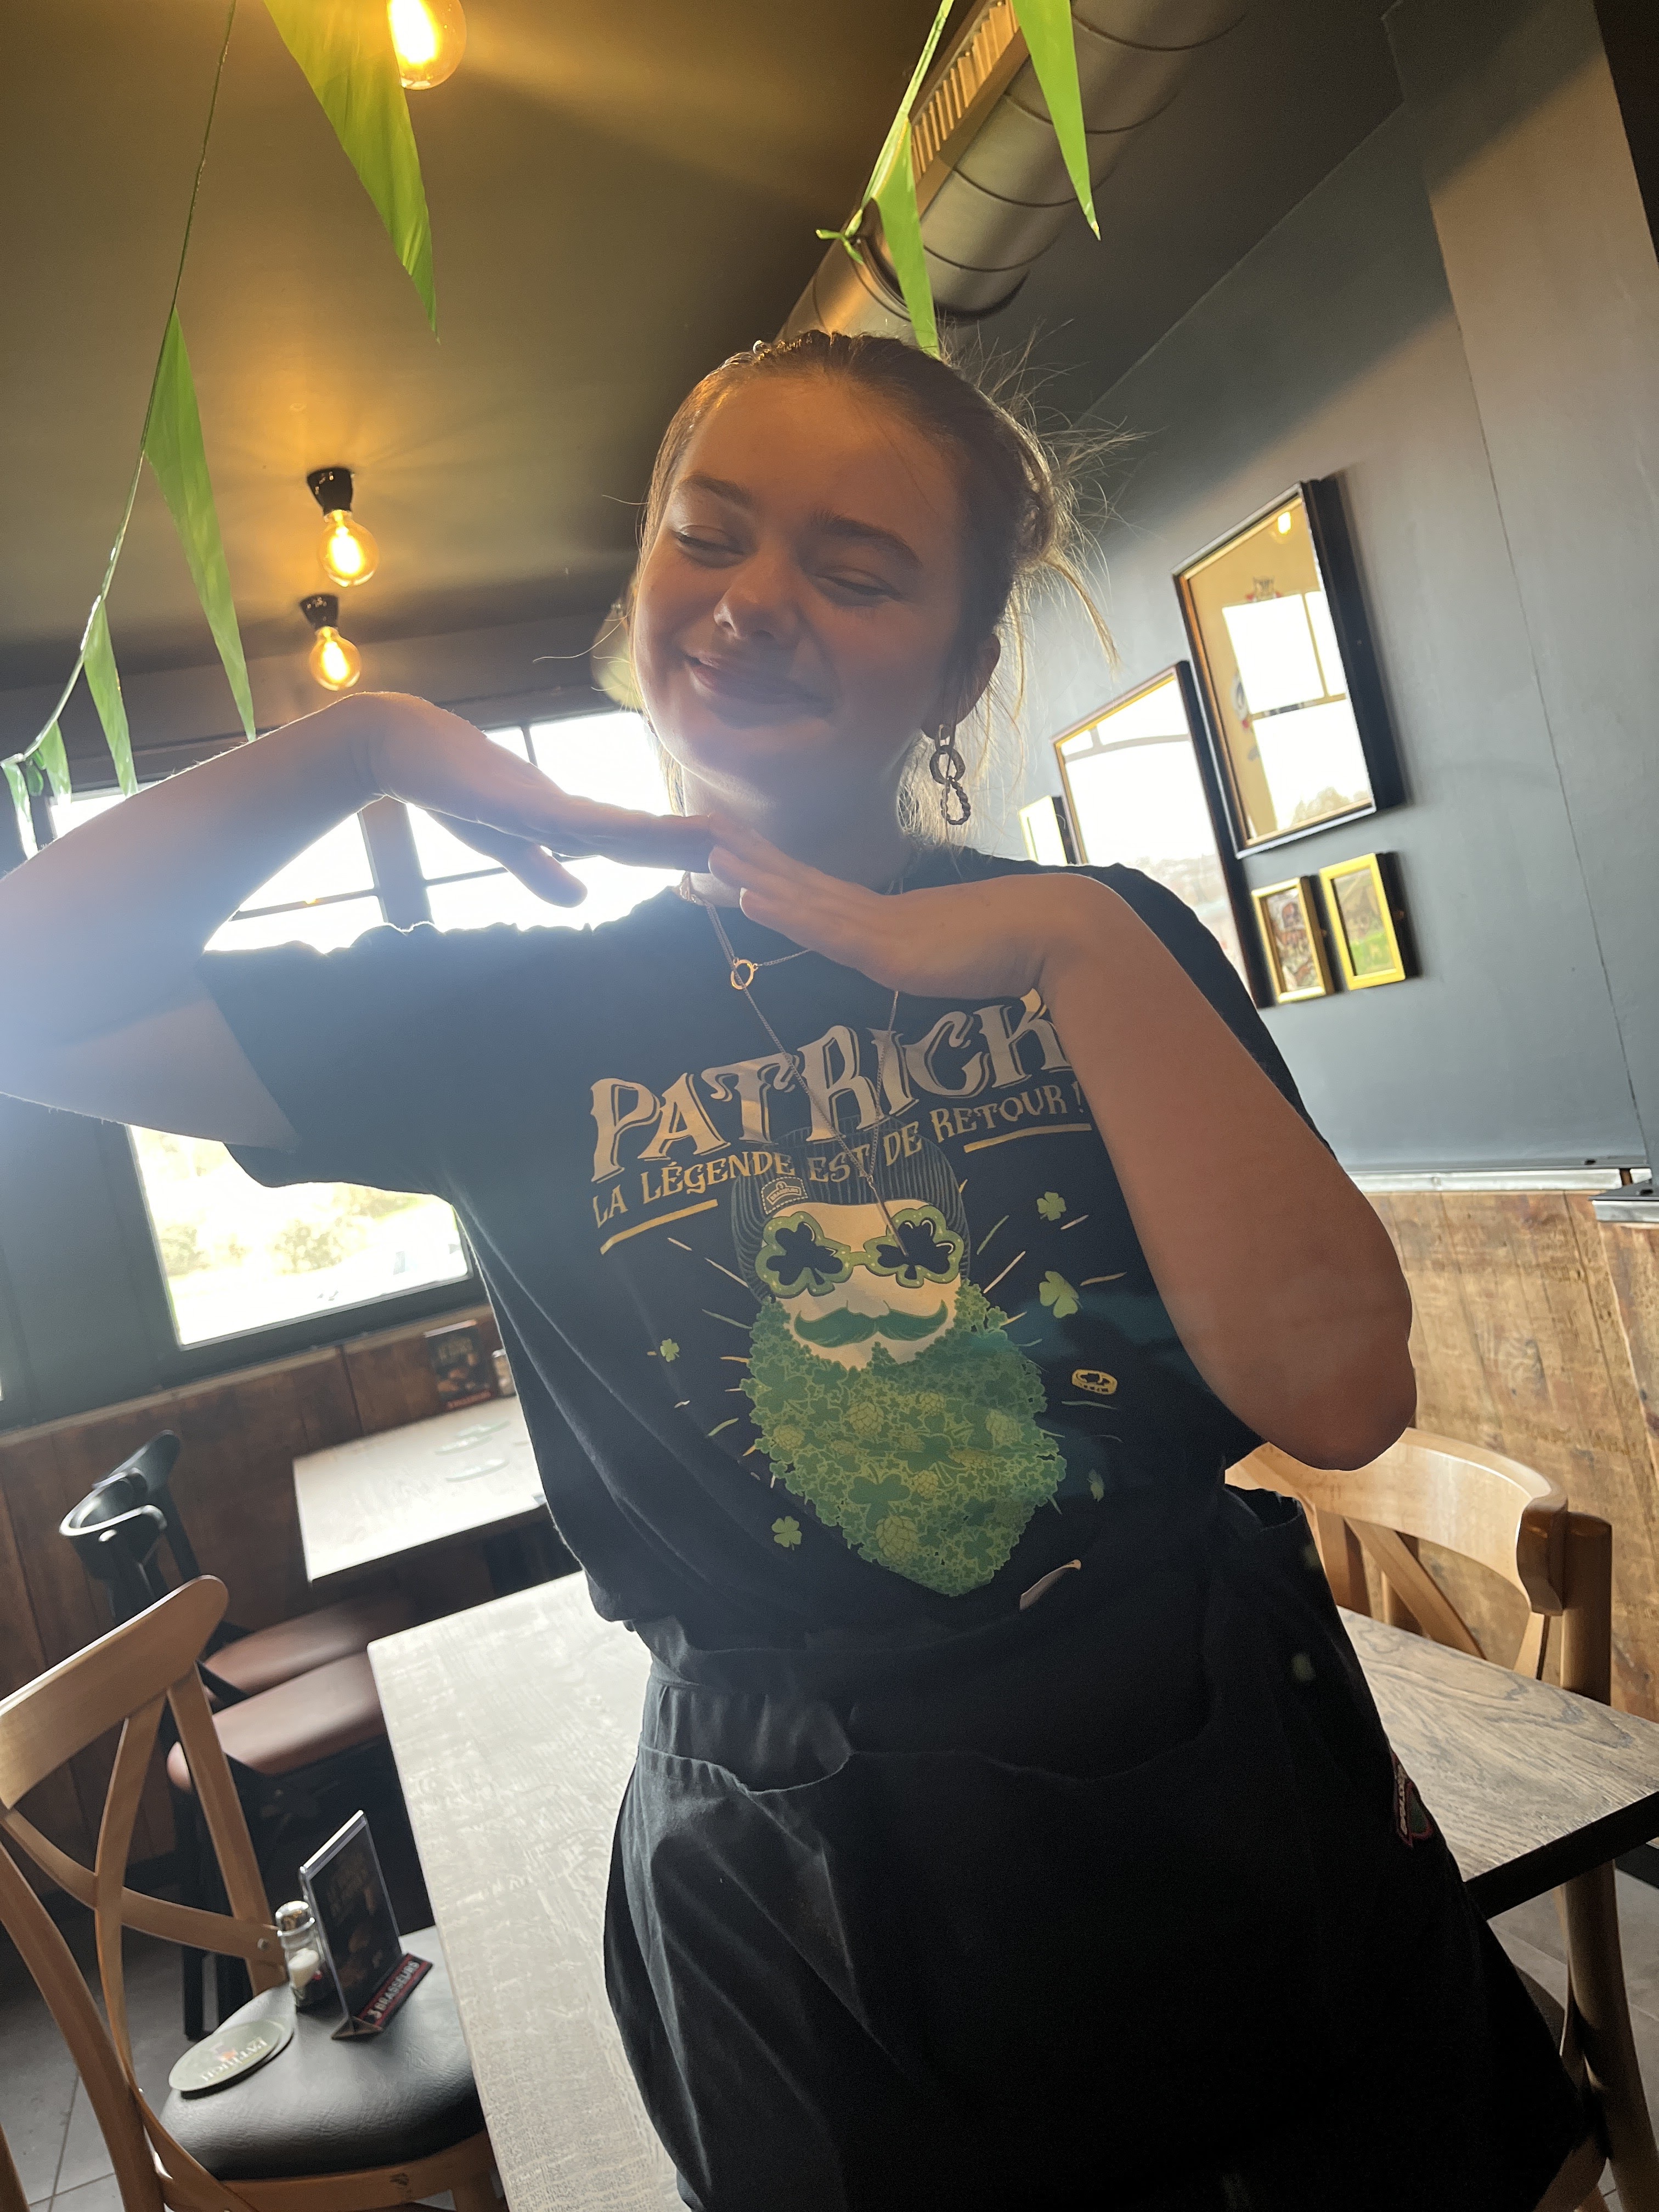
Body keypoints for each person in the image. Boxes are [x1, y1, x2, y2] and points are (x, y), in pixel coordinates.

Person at [0, 331, 1589, 2210]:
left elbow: (1339, 1396)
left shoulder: (1096, 937)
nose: (755, 602)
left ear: (960, 667)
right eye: (710, 536)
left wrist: (1077, 949)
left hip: (1222, 1758)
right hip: (797, 1842)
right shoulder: (501, 1018)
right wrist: (364, 749)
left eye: (856, 570)